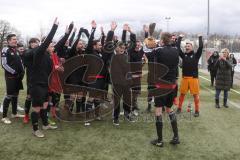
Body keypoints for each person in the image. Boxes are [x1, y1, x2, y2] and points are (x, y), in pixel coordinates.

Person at [30, 18, 59, 138]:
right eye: (50, 45)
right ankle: (35, 129)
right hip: (37, 85)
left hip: (46, 85)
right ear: (45, 45)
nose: (52, 47)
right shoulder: (38, 53)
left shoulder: (49, 56)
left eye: (52, 46)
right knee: (37, 108)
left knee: (45, 106)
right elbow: (47, 41)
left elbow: (50, 70)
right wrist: (54, 27)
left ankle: (45, 124)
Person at [150, 32, 180, 147]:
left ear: (162, 40)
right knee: (169, 109)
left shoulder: (159, 50)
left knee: (158, 111)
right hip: (172, 85)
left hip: (161, 86)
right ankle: (176, 137)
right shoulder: (175, 50)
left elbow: (147, 51)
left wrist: (150, 36)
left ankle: (160, 140)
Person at [176, 34, 203, 117]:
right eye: (186, 46)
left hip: (193, 79)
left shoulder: (196, 55)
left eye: (189, 46)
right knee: (182, 95)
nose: (187, 47)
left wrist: (200, 37)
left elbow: (201, 47)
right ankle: (179, 108)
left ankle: (197, 110)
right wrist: (180, 38)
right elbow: (177, 47)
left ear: (192, 47)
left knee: (196, 95)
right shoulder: (183, 55)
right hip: (185, 78)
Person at [1, 34, 25, 124]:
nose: (16, 40)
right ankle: (4, 117)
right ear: (9, 41)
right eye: (14, 39)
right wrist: (13, 72)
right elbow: (4, 64)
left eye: (16, 39)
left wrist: (21, 71)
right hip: (11, 77)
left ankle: (14, 114)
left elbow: (20, 62)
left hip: (18, 77)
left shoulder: (16, 50)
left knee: (15, 95)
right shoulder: (5, 49)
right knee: (9, 96)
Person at [122, 24, 144, 116]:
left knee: (135, 94)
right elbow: (131, 41)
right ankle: (127, 109)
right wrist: (128, 31)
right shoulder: (130, 51)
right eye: (136, 44)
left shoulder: (141, 52)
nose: (138, 45)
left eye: (139, 44)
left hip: (138, 77)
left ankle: (134, 108)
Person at [110, 40, 133, 126]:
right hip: (117, 83)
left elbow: (128, 70)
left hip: (126, 83)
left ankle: (127, 115)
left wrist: (130, 82)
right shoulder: (113, 56)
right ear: (116, 48)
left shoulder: (126, 56)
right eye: (120, 47)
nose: (122, 49)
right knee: (116, 101)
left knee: (127, 100)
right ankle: (116, 118)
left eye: (123, 47)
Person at [23, 38, 40, 123]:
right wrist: (37, 48)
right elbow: (29, 56)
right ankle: (26, 115)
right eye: (33, 42)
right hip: (31, 79)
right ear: (30, 44)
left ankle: (40, 113)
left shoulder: (40, 52)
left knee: (39, 97)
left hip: (40, 79)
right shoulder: (27, 52)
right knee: (29, 97)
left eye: (36, 42)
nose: (35, 44)